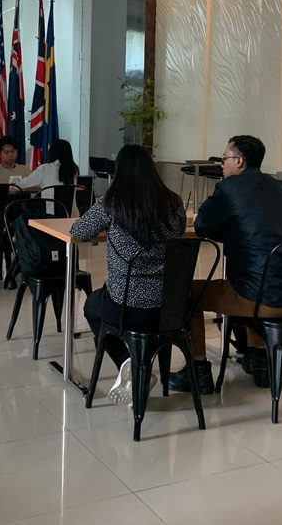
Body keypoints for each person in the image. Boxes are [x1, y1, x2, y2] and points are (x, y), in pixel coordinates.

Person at [169, 135, 282, 393]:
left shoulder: (230, 187)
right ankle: (260, 360)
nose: (221, 164)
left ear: (239, 161)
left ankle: (198, 370)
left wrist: (229, 231)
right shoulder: (276, 186)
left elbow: (202, 225)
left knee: (185, 292)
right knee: (249, 277)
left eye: (224, 158)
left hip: (257, 295)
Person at [72, 144, 186, 405]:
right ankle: (139, 367)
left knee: (91, 306)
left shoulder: (112, 202)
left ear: (119, 171)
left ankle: (129, 361)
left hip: (125, 308)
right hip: (169, 310)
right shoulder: (174, 202)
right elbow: (178, 235)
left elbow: (79, 231)